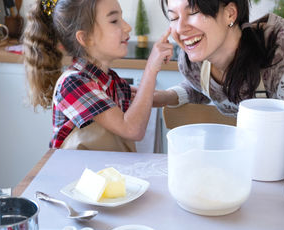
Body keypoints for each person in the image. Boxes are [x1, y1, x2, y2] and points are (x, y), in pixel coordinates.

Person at [23, 0, 173, 151]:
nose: (128, 27)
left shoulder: (111, 81)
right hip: (76, 174)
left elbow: (147, 99)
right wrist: (151, 68)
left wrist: (184, 94)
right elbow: (132, 129)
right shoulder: (73, 83)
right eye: (114, 21)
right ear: (85, 38)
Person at [153, 0, 284, 115]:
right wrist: (167, 96)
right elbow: (208, 88)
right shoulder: (192, 63)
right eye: (174, 17)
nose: (180, 29)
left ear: (230, 13)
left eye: (193, 12)